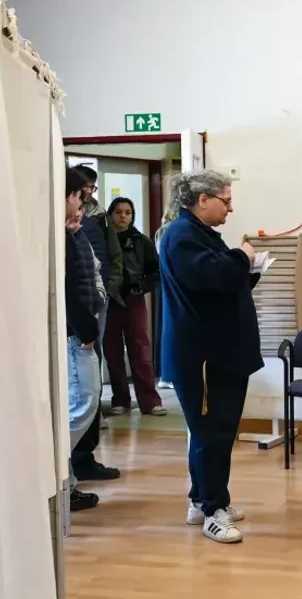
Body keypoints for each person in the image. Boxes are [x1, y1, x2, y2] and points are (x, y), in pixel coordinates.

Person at [160, 170, 263, 544]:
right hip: (205, 355)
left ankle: (201, 498)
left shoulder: (198, 235)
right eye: (226, 200)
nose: (230, 208)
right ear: (202, 199)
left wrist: (245, 270)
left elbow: (217, 286)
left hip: (220, 350)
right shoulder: (182, 236)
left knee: (213, 432)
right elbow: (211, 275)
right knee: (212, 433)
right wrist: (241, 256)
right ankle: (212, 510)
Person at [70, 164, 121, 482]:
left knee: (90, 395)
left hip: (93, 313)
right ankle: (69, 467)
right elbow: (69, 283)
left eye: (90, 188)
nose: (85, 196)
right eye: (79, 191)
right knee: (82, 398)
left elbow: (101, 264)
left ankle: (82, 459)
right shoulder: (62, 231)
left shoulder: (92, 222)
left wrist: (107, 292)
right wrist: (84, 327)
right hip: (78, 326)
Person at [63, 167, 104, 512]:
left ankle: (66, 482)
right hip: (76, 335)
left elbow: (92, 274)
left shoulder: (73, 234)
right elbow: (67, 292)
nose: (80, 202)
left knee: (86, 406)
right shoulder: (58, 237)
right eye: (77, 195)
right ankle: (54, 472)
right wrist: (86, 332)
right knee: (82, 406)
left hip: (82, 332)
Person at [105, 197, 166, 416]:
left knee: (140, 350)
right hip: (109, 301)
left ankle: (149, 401)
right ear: (111, 214)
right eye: (119, 212)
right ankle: (120, 399)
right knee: (112, 351)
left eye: (128, 212)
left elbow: (156, 272)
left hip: (134, 299)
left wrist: (141, 287)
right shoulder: (103, 239)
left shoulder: (142, 241)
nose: (123, 216)